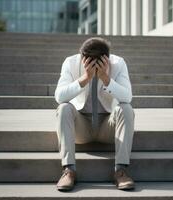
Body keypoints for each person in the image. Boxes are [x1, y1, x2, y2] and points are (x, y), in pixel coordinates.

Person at [54, 37, 135, 191]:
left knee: (126, 108)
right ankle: (69, 170)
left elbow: (127, 97)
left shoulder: (118, 63)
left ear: (107, 58)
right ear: (82, 57)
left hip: (108, 127)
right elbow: (59, 96)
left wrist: (106, 78)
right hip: (81, 127)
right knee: (64, 107)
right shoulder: (70, 63)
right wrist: (85, 78)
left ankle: (121, 171)